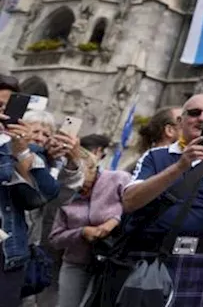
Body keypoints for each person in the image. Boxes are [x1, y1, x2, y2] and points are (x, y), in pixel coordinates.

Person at [121, 93, 203, 306]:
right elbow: (130, 201)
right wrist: (180, 166)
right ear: (181, 121)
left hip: (197, 260)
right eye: (194, 113)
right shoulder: (156, 156)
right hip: (151, 257)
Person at [1, 74, 61, 304]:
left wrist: (22, 151)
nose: (4, 114)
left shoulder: (20, 149)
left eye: (8, 108)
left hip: (8, 256)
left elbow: (44, 194)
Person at [47, 148, 130, 307]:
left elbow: (134, 210)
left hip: (112, 263)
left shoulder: (118, 179)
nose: (76, 184)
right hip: (76, 263)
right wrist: (81, 232)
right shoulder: (68, 193)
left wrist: (114, 220)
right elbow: (55, 239)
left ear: (92, 168)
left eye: (79, 175)